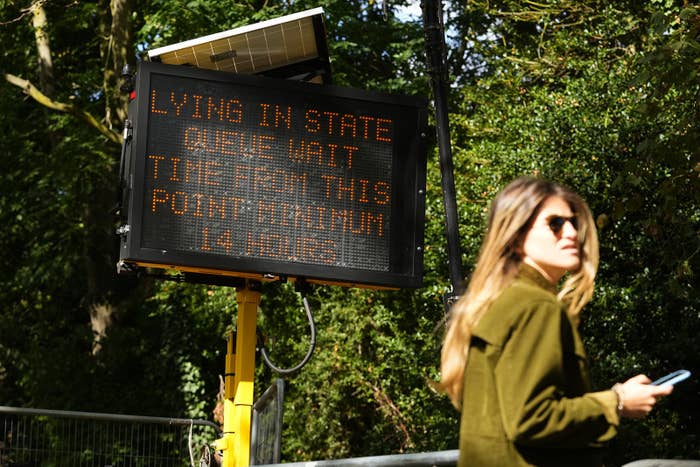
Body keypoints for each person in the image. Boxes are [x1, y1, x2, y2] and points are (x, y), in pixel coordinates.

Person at [438, 177, 673, 467]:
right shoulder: (536, 306)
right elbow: (531, 418)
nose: (572, 232)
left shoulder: (501, 300)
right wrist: (618, 401)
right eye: (555, 223)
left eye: (574, 222)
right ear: (516, 235)